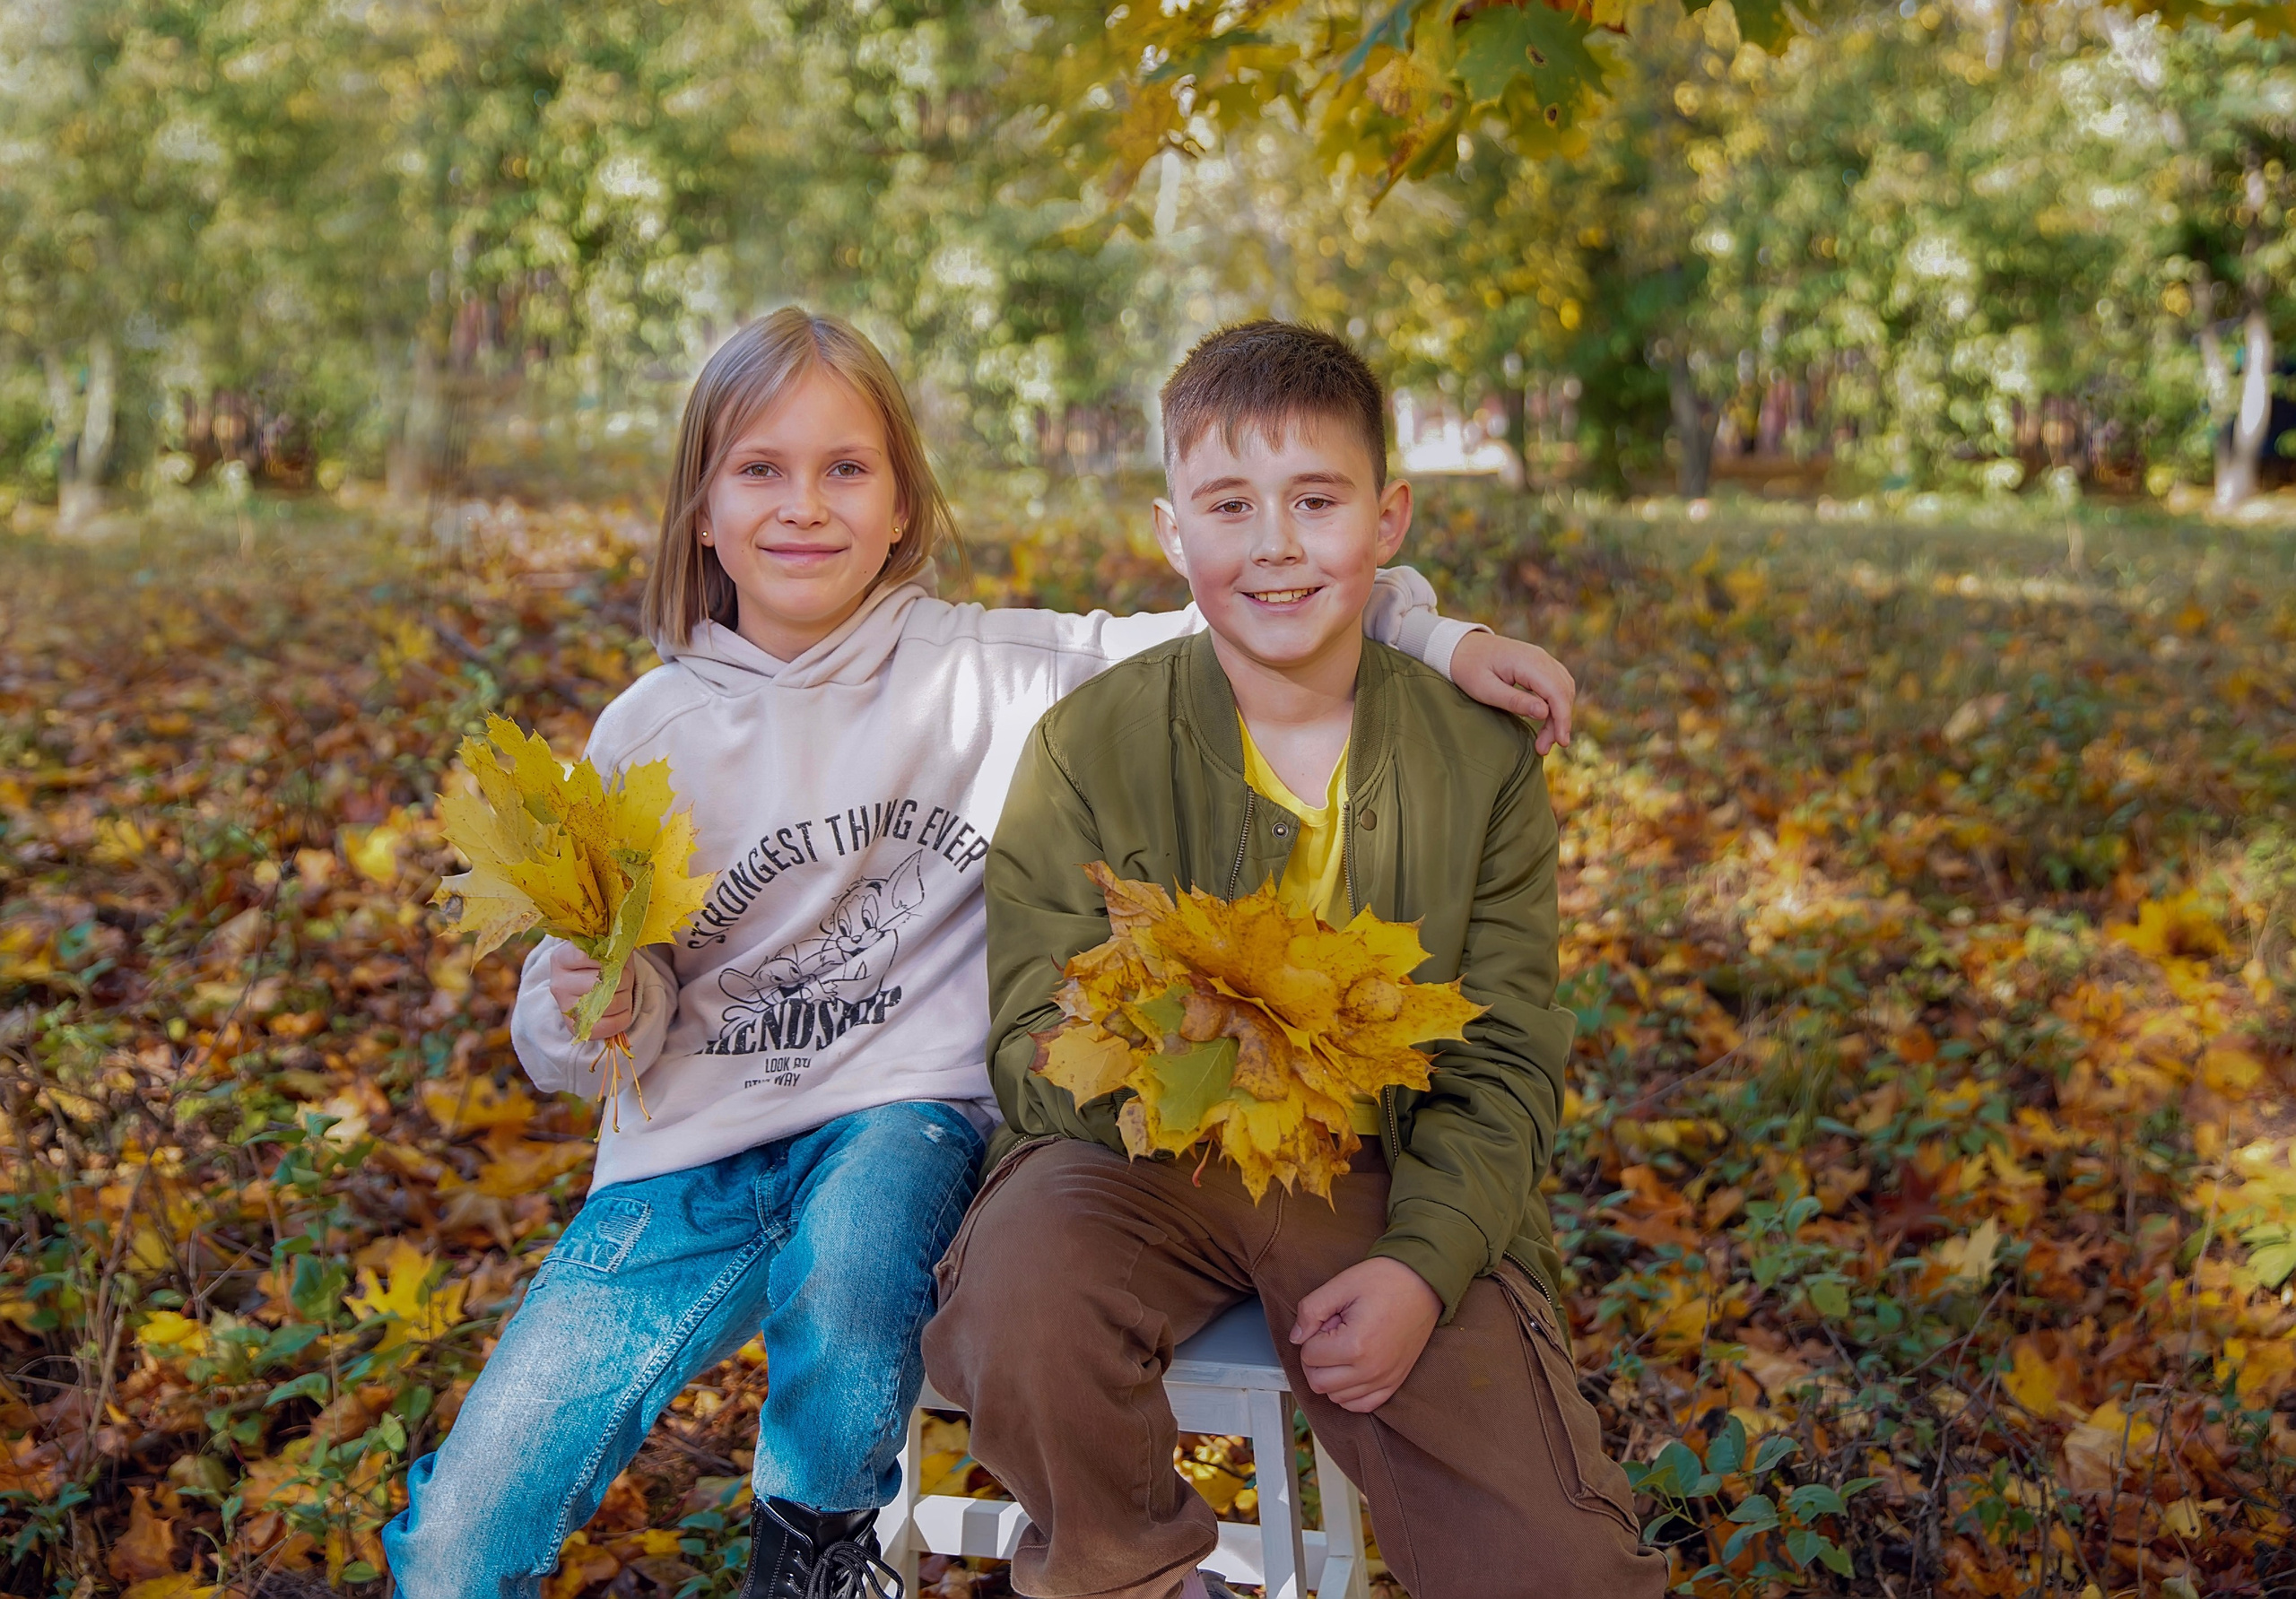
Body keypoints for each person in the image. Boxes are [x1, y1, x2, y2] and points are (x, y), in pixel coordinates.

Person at [380, 307, 1581, 1599]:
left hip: (901, 1122)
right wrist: (586, 1004)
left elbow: (1259, 602)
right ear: (703, 512)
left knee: (853, 1266)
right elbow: (579, 1024)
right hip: (685, 1153)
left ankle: (821, 1553)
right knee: (462, 1533)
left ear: (902, 505)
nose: (805, 506)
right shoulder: (643, 734)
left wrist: (1439, 635)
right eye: (760, 471)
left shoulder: (992, 671)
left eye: (846, 469)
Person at [924, 320, 1665, 1599]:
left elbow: (1501, 1067)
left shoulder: (1476, 758)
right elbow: (1030, 1037)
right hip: (1138, 1160)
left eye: (1315, 500)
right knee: (1024, 1296)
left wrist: (1423, 1271)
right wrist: (1177, 1062)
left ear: (1388, 522)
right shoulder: (1086, 746)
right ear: (1174, 533)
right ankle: (1127, 1573)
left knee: (1557, 1569)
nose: (1273, 542)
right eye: (1230, 504)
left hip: (1386, 1170)